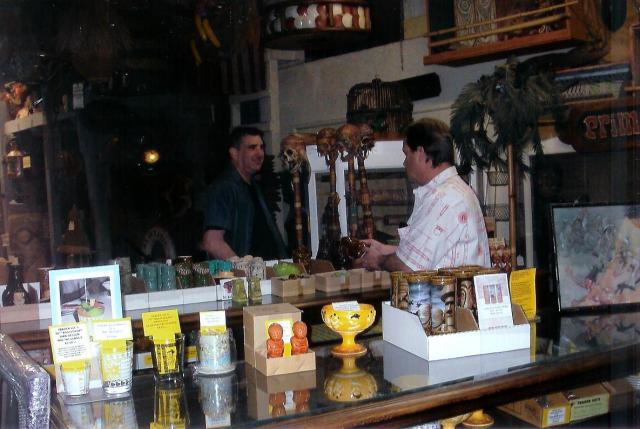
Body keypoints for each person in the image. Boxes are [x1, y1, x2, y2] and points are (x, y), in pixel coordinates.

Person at [354, 118, 490, 272]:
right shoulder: (455, 191)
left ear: (420, 153)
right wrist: (383, 250)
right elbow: (424, 256)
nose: (405, 163)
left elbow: (408, 268)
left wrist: (378, 260)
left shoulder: (442, 199)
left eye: (406, 154)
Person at [201, 127, 288, 260]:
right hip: (245, 273)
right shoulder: (224, 188)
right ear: (234, 153)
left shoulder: (253, 186)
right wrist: (241, 267)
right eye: (252, 148)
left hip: (266, 270)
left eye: (261, 147)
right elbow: (212, 242)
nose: (260, 153)